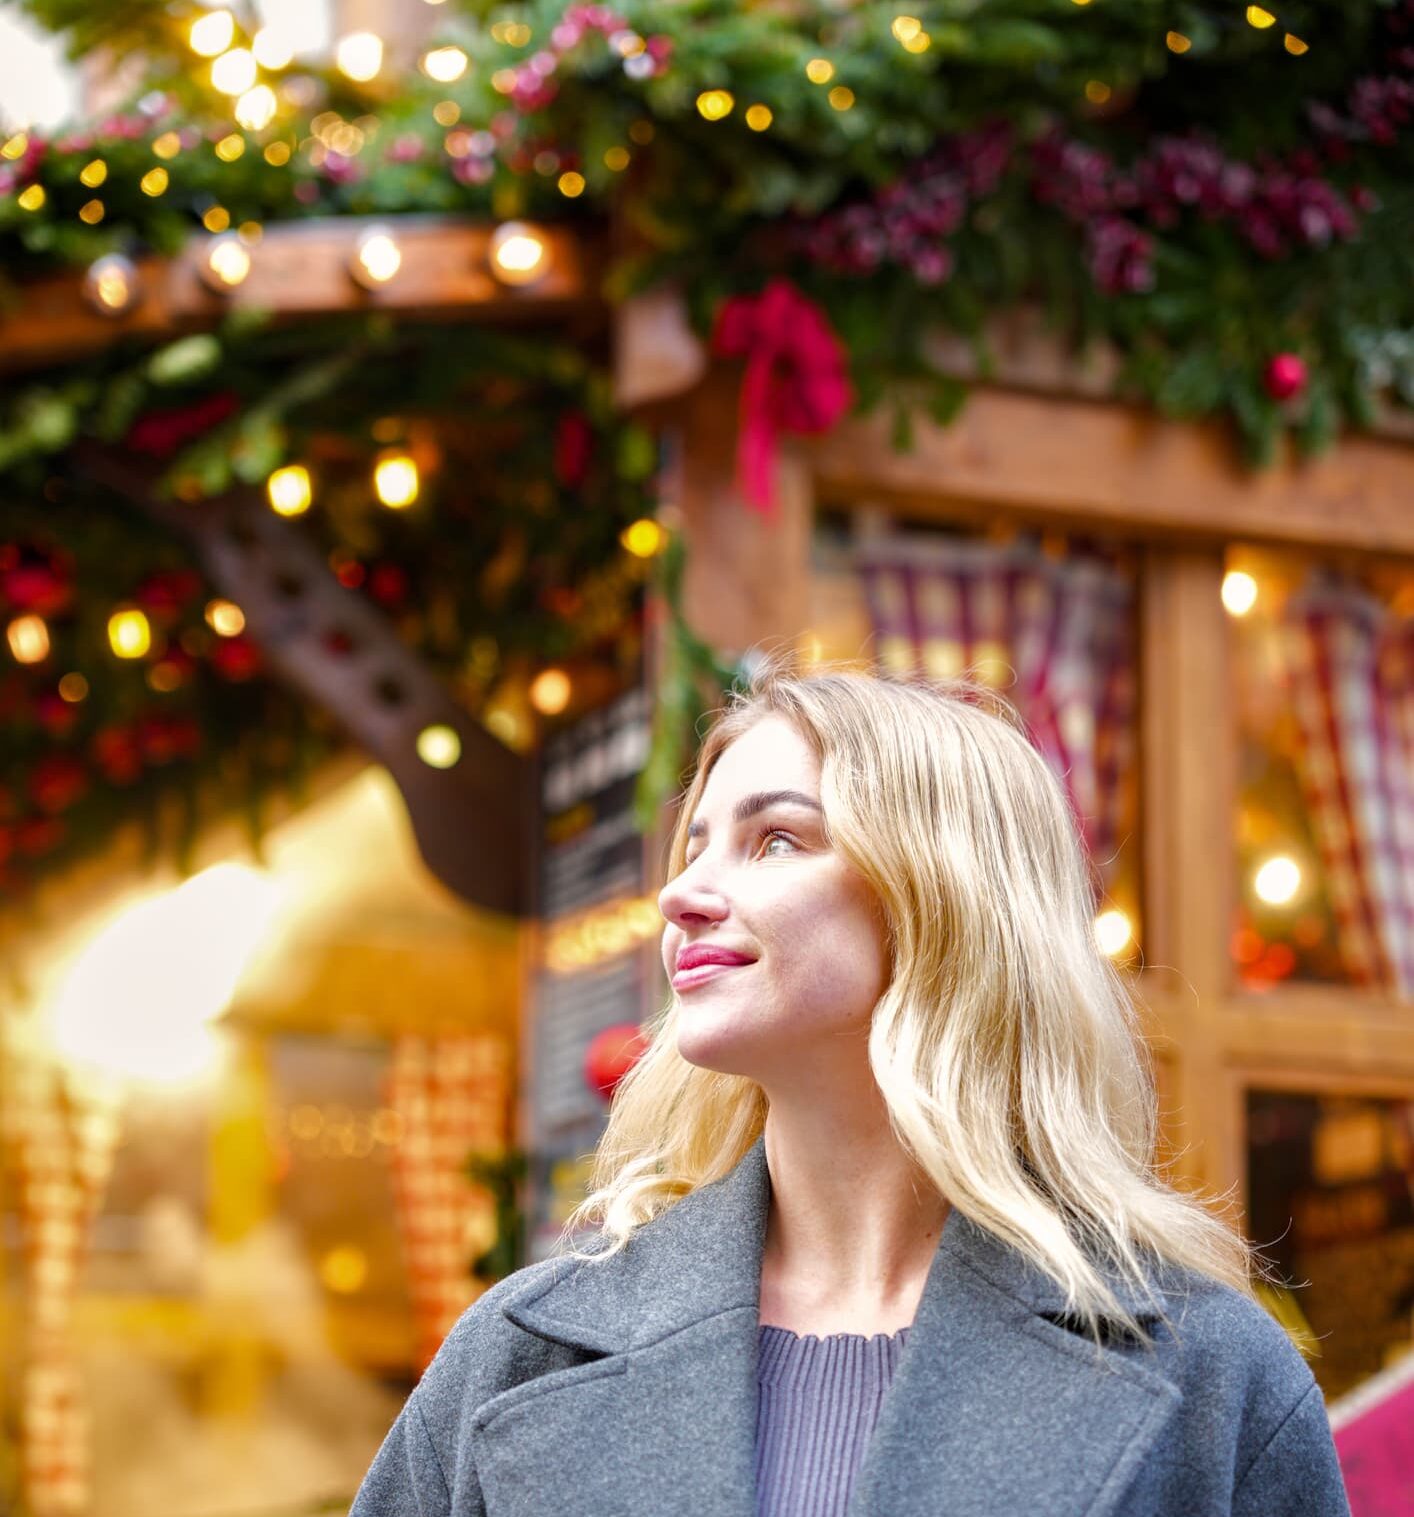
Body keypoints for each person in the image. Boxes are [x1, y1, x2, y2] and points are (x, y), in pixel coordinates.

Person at [351, 657, 1351, 1517]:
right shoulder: (523, 1350)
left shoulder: (1213, 1375)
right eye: (696, 842)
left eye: (774, 839)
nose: (680, 892)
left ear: (943, 898)